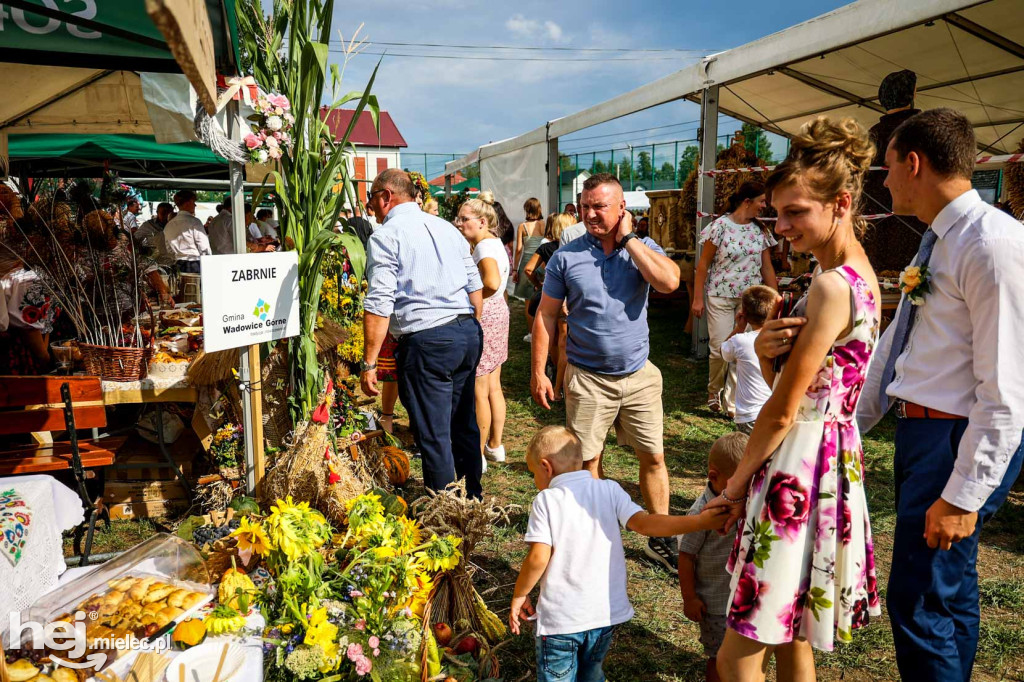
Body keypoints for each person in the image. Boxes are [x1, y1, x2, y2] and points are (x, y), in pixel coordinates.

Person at [705, 117, 882, 680]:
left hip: (799, 465)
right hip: (833, 456)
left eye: (795, 212)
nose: (780, 227)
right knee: (792, 631)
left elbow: (783, 408)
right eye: (776, 214)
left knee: (739, 655)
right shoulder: (860, 276)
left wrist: (733, 488)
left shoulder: (830, 286)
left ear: (841, 203)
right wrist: (765, 355)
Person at [852, 108, 1024, 681]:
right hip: (927, 432)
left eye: (888, 166)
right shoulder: (942, 240)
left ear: (915, 162)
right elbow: (905, 346)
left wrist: (963, 495)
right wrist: (850, 425)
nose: (883, 181)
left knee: (920, 598)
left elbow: (1006, 385)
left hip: (955, 437)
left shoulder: (992, 243)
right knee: (946, 592)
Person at [531, 173, 682, 573]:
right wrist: (540, 371)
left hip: (638, 376)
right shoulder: (567, 256)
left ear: (622, 210)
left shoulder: (643, 247)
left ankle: (660, 537)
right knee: (587, 461)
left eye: (600, 206)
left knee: (653, 456)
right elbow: (546, 313)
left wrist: (630, 240)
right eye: (585, 207)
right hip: (587, 377)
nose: (590, 214)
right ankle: (599, 532)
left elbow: (669, 282)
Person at [509, 426, 728, 682]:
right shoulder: (610, 489)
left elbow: (538, 557)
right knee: (592, 674)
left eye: (533, 472)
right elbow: (647, 524)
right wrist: (699, 522)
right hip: (604, 616)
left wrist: (520, 593)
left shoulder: (546, 500)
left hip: (561, 622)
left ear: (546, 467)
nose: (535, 479)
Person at [361, 169, 485, 498]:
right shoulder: (446, 227)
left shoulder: (385, 236)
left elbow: (379, 302)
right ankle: (473, 496)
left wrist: (369, 362)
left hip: (428, 340)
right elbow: (475, 287)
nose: (370, 205)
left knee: (433, 433)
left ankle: (448, 515)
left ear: (386, 196)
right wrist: (470, 329)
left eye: (372, 196)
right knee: (463, 421)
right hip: (465, 331)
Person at [692, 181, 778, 416]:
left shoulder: (760, 231)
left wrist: (776, 299)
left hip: (750, 300)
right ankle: (713, 391)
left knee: (744, 347)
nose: (764, 205)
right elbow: (703, 266)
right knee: (720, 347)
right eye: (761, 201)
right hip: (719, 295)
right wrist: (697, 298)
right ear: (747, 202)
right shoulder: (719, 227)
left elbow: (767, 268)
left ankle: (732, 403)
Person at [679, 432, 748, 682]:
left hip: (743, 598)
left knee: (740, 656)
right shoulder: (701, 514)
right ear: (714, 477)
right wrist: (690, 597)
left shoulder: (747, 500)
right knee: (718, 659)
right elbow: (686, 555)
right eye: (739, 484)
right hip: (716, 605)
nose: (746, 491)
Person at [455, 193, 511, 467]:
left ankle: (477, 454)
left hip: (486, 314)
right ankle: (495, 446)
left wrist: (472, 299)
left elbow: (490, 281)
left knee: (479, 390)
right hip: (498, 311)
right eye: (458, 218)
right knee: (493, 387)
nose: (458, 223)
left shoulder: (483, 248)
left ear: (482, 221)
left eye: (464, 219)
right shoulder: (493, 242)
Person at [862, 69, 929, 273]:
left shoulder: (871, 135)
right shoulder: (923, 130)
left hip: (874, 232)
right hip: (914, 228)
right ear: (913, 94)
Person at [525, 212, 575, 399]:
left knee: (554, 341)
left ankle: (555, 381)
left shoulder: (546, 248)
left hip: (550, 295)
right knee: (564, 342)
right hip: (568, 298)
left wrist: (538, 284)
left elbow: (528, 269)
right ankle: (559, 386)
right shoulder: (575, 248)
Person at [719, 285, 778, 434]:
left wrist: (739, 327)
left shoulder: (740, 341)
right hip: (775, 410)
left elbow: (723, 352)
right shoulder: (782, 339)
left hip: (749, 416)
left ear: (743, 313)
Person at [163, 190, 211, 274]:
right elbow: (204, 248)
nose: (195, 205)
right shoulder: (194, 222)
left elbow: (168, 249)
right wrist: (209, 263)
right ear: (188, 202)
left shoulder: (169, 225)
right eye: (193, 202)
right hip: (194, 264)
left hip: (178, 264)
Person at [512, 197, 545, 300]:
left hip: (526, 263)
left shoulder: (522, 226)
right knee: (541, 295)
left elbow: (518, 249)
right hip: (541, 261)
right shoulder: (543, 224)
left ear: (527, 210)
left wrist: (515, 269)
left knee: (528, 298)